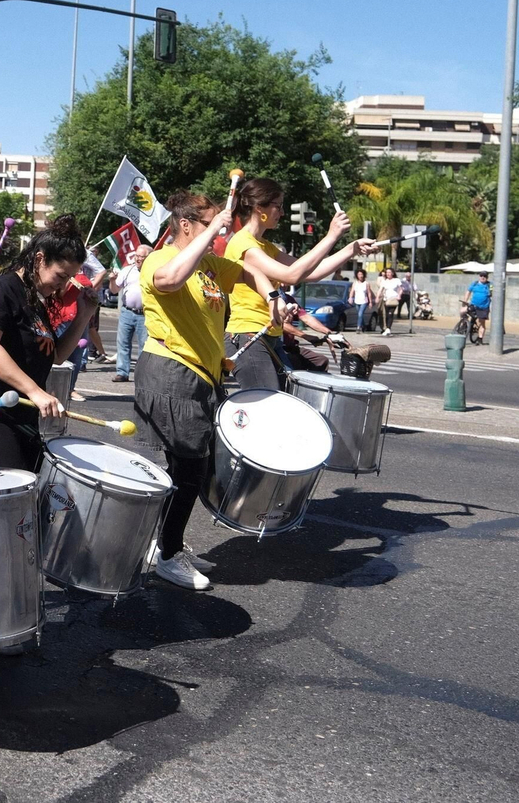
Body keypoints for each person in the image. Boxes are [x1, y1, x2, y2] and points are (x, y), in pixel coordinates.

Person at [134, 191, 270, 591]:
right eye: (211, 222)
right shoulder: (161, 259)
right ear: (187, 225)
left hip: (202, 379)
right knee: (189, 469)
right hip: (171, 373)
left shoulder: (208, 264)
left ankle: (163, 544)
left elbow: (250, 273)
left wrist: (274, 294)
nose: (221, 229)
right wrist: (214, 228)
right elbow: (170, 280)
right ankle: (168, 554)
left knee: (187, 470)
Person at [0, 219, 96, 472]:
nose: (63, 284)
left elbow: (55, 355)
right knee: (12, 495)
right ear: (40, 259)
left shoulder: (37, 299)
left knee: (35, 495)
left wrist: (84, 315)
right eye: (61, 275)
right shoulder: (3, 289)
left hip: (22, 414)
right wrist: (35, 391)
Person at [222, 177, 367, 390]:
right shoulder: (243, 244)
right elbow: (291, 275)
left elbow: (311, 273)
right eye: (278, 206)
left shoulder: (265, 246)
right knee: (265, 402)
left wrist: (350, 249)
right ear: (259, 207)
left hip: (270, 336)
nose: (281, 213)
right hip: (247, 335)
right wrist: (331, 236)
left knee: (282, 399)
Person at [111, 244, 152, 383]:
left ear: (149, 257)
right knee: (123, 343)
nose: (138, 259)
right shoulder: (128, 270)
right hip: (126, 312)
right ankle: (122, 372)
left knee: (144, 345)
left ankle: (141, 374)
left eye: (142, 256)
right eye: (137, 256)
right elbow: (115, 290)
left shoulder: (153, 271)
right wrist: (111, 280)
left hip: (144, 314)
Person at [374, 268, 403, 337]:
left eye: (389, 272)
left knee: (390, 313)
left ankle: (388, 328)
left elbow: (401, 289)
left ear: (392, 273)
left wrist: (399, 295)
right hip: (386, 300)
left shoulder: (396, 280)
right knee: (386, 314)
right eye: (387, 272)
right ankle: (387, 328)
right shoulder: (384, 281)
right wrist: (377, 297)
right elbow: (380, 290)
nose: (388, 274)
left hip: (394, 299)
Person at [465, 272, 492, 344]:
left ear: (487, 277)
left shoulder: (490, 285)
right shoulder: (475, 283)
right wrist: (465, 301)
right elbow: (468, 291)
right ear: (479, 277)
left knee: (482, 322)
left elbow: (493, 294)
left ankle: (480, 338)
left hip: (484, 307)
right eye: (481, 276)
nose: (483, 277)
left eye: (485, 276)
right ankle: (464, 323)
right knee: (463, 311)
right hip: (473, 304)